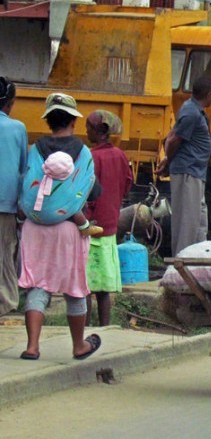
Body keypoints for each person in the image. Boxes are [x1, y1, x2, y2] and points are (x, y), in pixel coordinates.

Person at [18, 93, 101, 360]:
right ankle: (79, 346)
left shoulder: (36, 149)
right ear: (73, 121)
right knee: (74, 288)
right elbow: (92, 190)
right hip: (68, 229)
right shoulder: (84, 153)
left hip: (34, 227)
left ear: (49, 121)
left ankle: (32, 346)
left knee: (37, 285)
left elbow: (25, 183)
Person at [156, 77, 211, 256]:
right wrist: (169, 160)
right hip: (188, 172)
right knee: (187, 222)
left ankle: (197, 258)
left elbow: (173, 135)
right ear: (209, 95)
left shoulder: (192, 109)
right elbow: (173, 140)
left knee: (199, 220)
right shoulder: (191, 113)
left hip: (195, 171)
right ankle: (181, 261)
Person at [84, 111, 133, 326]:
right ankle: (105, 326)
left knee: (84, 285)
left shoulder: (91, 157)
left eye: (89, 127)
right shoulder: (120, 156)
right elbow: (127, 184)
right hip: (110, 227)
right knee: (103, 288)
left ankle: (83, 327)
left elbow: (86, 190)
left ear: (99, 131)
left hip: (90, 226)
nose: (86, 131)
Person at [0, 76, 27, 316]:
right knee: (5, 254)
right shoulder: (17, 128)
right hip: (5, 204)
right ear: (10, 103)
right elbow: (23, 169)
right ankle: (6, 303)